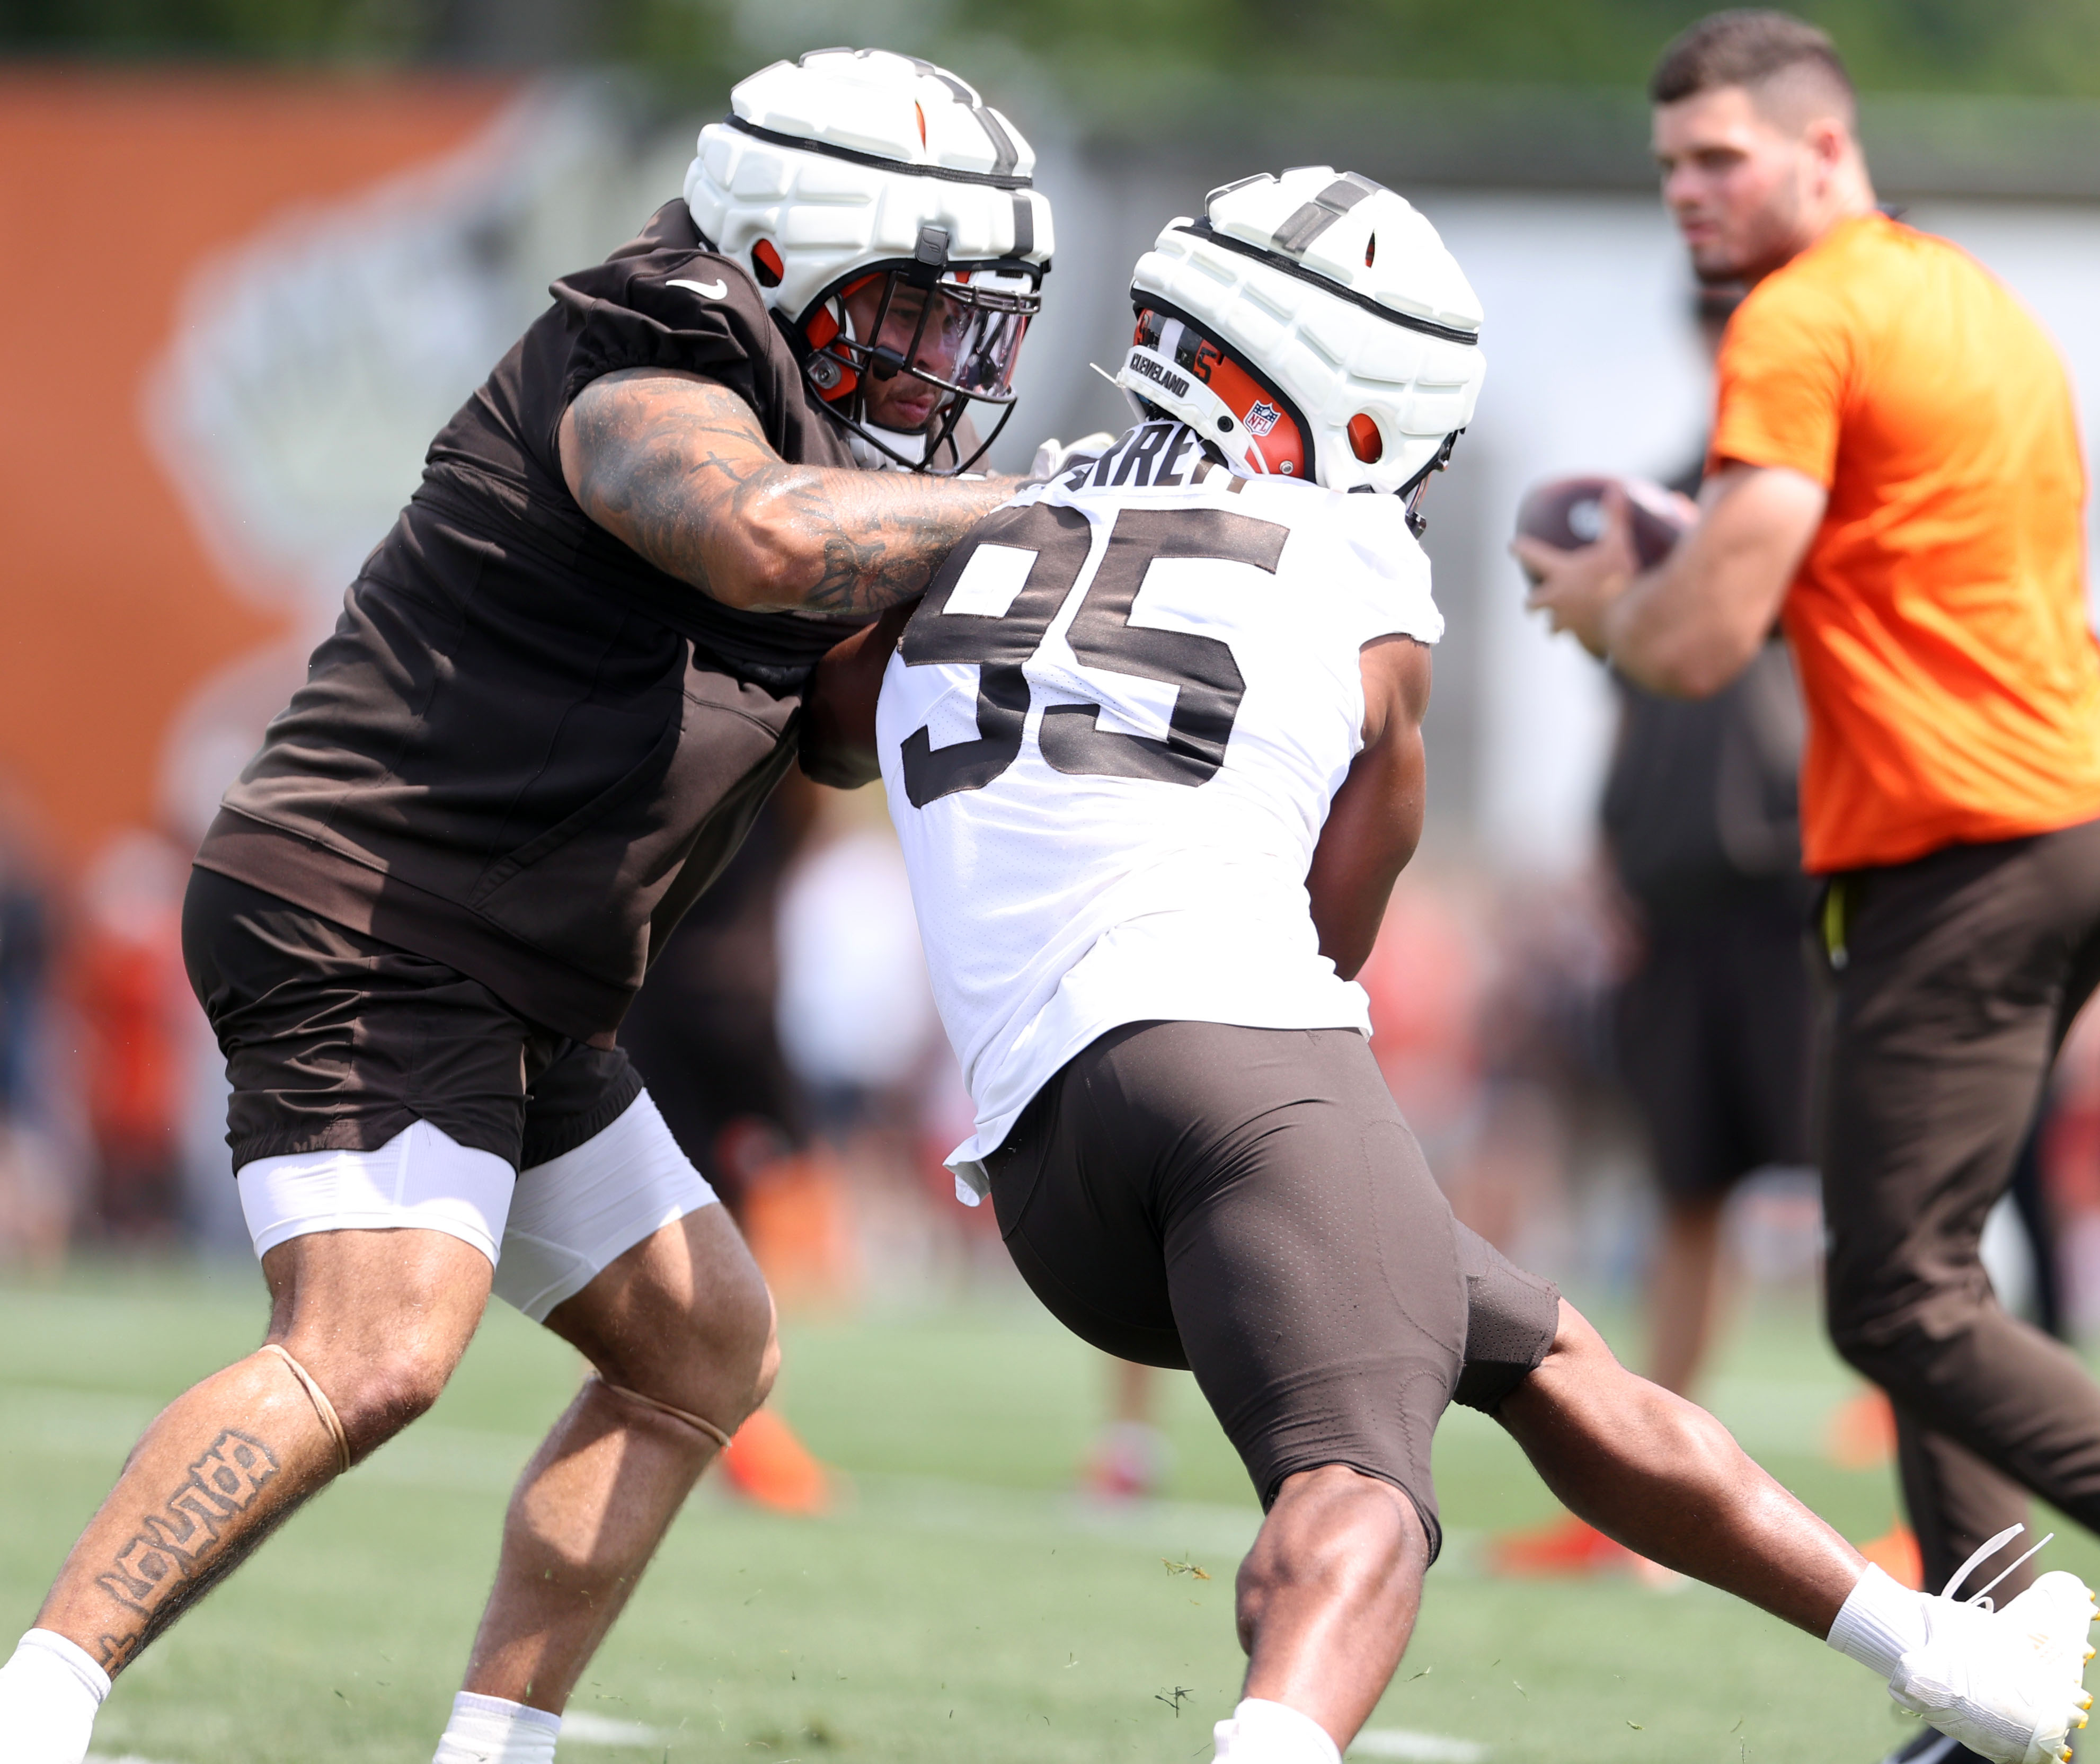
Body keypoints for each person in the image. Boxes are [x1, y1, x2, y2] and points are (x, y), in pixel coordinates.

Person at [832, 164, 2098, 1764]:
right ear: (1344, 389)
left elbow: (836, 737)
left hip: (1032, 1160)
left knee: (1545, 1354)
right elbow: (1338, 920)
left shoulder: (964, 538)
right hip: (1236, 1071)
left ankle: (1952, 1664)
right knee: (1360, 1489)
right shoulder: (1353, 566)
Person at [0, 48, 1055, 1764]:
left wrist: (1029, 598)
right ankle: (35, 1706)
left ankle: (496, 1747)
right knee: (377, 1343)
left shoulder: (803, 420)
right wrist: (1023, 506)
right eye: (919, 309)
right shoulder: (650, 362)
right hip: (373, 912)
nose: (943, 360)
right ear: (790, 256)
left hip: (516, 969)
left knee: (699, 1348)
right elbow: (767, 543)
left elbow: (841, 729)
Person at [1521, 15, 2100, 1761]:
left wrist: (1598, 603)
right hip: (2034, 819)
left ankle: (2002, 1637)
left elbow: (1699, 643)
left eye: (1719, 162)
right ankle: (1993, 1669)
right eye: (1670, 170)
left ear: (1819, 148)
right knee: (1922, 1275)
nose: (1689, 196)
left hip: (1965, 844)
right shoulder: (1960, 293)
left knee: (1896, 1297)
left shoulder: (1800, 313)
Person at [1492, 285, 1818, 1581]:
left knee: (1876, 1204)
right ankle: (1648, 1510)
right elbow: (1626, 695)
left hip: (1795, 886)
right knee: (1682, 1192)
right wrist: (1605, 846)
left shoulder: (1814, 496)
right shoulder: (1663, 493)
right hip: (1672, 896)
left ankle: (1949, 1511)